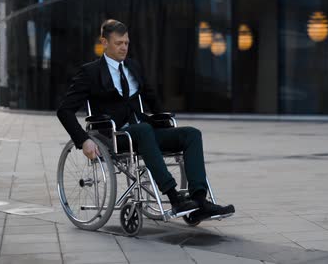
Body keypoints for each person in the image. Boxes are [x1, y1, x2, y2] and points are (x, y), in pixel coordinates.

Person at [57, 19, 234, 221]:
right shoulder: (89, 72)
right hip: (115, 135)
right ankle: (174, 197)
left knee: (191, 134)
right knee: (143, 130)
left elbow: (152, 100)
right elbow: (64, 111)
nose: (124, 47)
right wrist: (83, 140)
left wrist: (164, 121)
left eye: (126, 43)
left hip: (143, 131)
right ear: (104, 43)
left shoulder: (133, 66)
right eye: (118, 43)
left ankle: (200, 201)